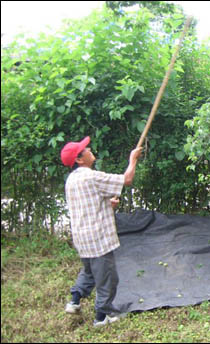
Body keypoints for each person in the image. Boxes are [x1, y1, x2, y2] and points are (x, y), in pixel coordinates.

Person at [60, 136, 142, 327]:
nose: (89, 149)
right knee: (107, 277)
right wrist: (133, 160)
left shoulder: (71, 180)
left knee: (89, 272)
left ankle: (74, 300)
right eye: (85, 149)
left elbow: (88, 205)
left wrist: (107, 205)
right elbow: (127, 179)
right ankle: (102, 316)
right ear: (79, 159)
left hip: (82, 238)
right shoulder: (91, 176)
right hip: (97, 238)